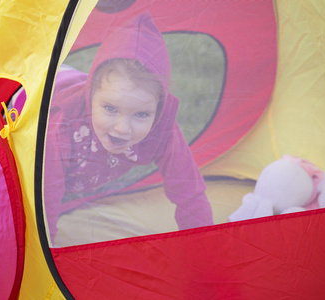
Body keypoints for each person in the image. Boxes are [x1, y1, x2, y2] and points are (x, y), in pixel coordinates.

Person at [44, 12, 213, 243]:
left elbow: (189, 193)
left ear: (158, 109)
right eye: (111, 109)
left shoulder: (162, 128)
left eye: (141, 114)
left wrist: (204, 246)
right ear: (90, 97)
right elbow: (45, 199)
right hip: (37, 91)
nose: (123, 129)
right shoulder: (63, 126)